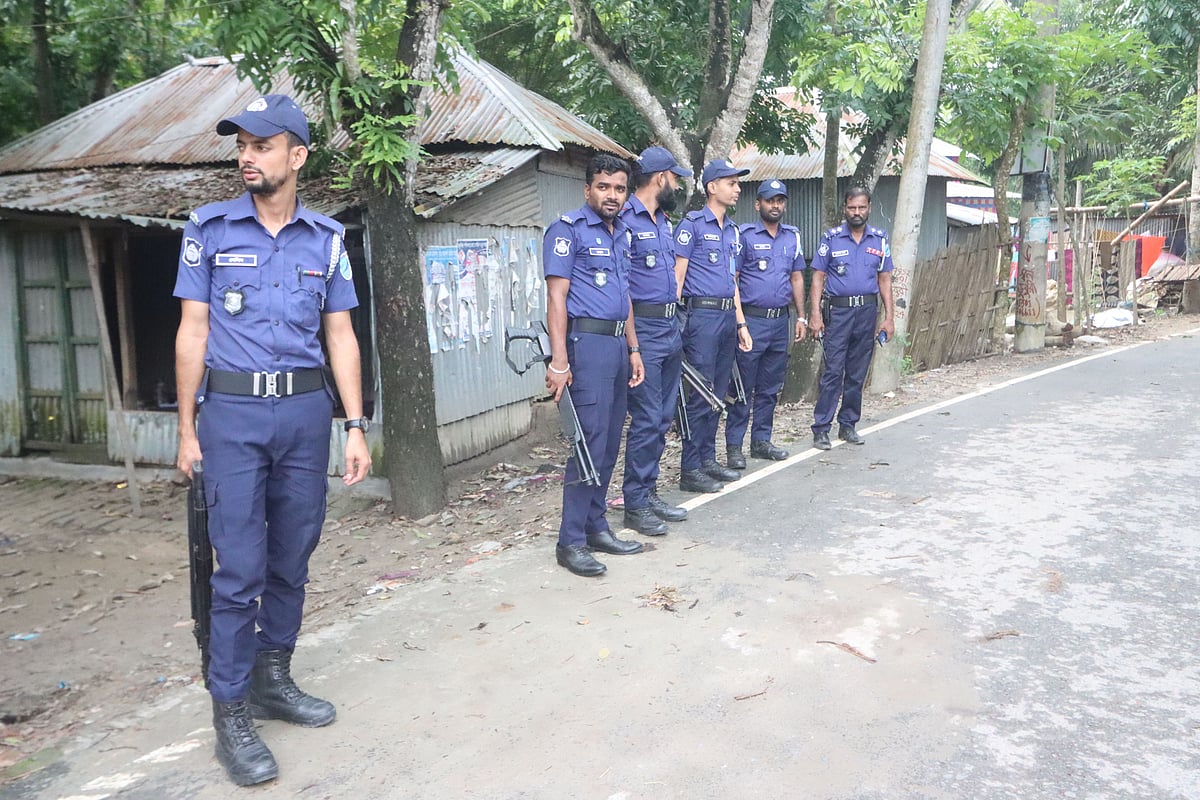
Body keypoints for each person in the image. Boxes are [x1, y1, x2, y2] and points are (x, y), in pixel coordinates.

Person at [173, 94, 372, 786]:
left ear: (298, 156)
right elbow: (193, 330)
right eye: (242, 146)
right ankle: (230, 709)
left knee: (293, 556)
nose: (247, 156)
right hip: (230, 417)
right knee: (239, 571)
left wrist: (354, 425)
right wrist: (185, 428)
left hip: (303, 416)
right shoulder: (209, 229)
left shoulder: (326, 240)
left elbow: (340, 335)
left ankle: (273, 678)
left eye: (262, 145)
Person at [543, 153, 646, 577]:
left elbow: (626, 299)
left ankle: (596, 526)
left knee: (608, 443)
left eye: (620, 188)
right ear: (588, 189)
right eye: (604, 187)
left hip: (618, 345)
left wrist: (635, 349)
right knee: (587, 444)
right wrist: (560, 361)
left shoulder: (622, 234)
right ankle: (570, 541)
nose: (612, 195)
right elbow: (556, 298)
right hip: (586, 347)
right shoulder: (567, 231)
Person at [620, 146, 692, 536]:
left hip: (669, 330)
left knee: (664, 419)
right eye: (675, 178)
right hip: (644, 332)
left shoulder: (663, 222)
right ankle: (634, 503)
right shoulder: (627, 221)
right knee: (646, 419)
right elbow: (624, 290)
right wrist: (633, 344)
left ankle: (648, 493)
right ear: (660, 178)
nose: (678, 184)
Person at [673, 159, 752, 493]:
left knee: (718, 394)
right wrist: (673, 322)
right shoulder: (691, 225)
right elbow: (677, 277)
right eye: (731, 183)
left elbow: (732, 281)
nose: (737, 189)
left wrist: (741, 323)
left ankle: (707, 459)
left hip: (725, 318)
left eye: (737, 183)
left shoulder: (733, 231)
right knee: (700, 394)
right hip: (700, 318)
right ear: (712, 187)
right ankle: (690, 467)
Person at [725, 180, 807, 468]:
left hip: (780, 321)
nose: (776, 205)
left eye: (780, 200)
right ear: (757, 204)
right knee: (742, 388)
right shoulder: (744, 236)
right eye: (770, 200)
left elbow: (797, 277)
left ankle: (761, 441)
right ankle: (734, 447)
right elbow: (732, 281)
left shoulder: (792, 237)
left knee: (770, 387)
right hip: (752, 321)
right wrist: (740, 323)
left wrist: (801, 316)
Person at [808, 186, 896, 450]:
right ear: (845, 208)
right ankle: (821, 428)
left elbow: (885, 279)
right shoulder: (831, 238)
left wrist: (889, 318)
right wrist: (815, 315)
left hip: (867, 313)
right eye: (851, 207)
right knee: (833, 371)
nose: (856, 212)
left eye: (861, 207)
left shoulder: (879, 239)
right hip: (839, 313)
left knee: (857, 374)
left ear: (869, 207)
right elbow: (818, 277)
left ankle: (848, 425)